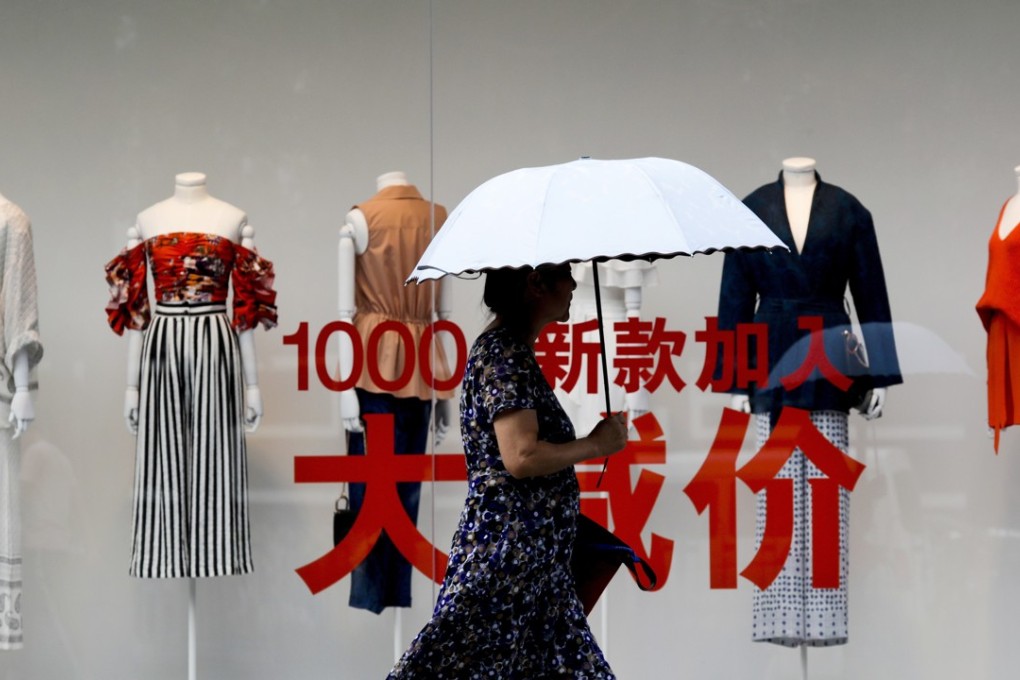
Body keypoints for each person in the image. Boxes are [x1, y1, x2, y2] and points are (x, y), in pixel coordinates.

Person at [388, 263, 628, 679]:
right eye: (564, 273)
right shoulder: (503, 354)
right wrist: (596, 444)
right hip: (505, 566)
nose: (573, 284)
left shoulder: (510, 351)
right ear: (535, 283)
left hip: (535, 575)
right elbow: (521, 457)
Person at [105, 172, 277, 578]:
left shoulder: (234, 220)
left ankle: (214, 554)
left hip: (214, 340)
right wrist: (131, 387)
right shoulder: (147, 221)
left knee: (216, 450)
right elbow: (136, 311)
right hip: (162, 340)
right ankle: (162, 553)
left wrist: (253, 386)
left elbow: (247, 311)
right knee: (160, 453)